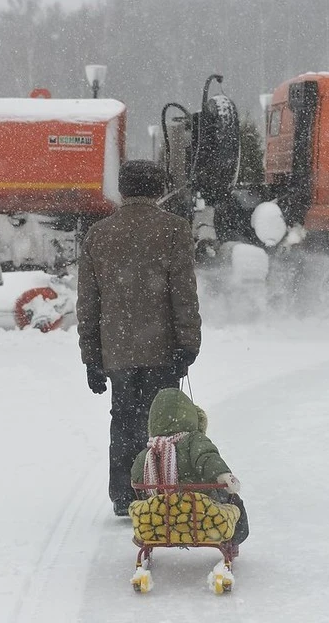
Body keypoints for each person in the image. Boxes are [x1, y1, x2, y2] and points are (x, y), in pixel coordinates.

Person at [77, 159, 202, 517]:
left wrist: (91, 357)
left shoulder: (98, 234)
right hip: (163, 349)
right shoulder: (174, 230)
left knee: (123, 419)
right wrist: (187, 344)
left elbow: (88, 303)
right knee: (161, 423)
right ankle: (161, 488)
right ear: (160, 189)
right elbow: (184, 295)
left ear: (122, 190)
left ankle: (125, 493)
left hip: (116, 351)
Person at [130, 388, 248, 547]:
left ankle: (146, 536)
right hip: (201, 514)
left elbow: (137, 479)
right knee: (233, 501)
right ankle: (233, 540)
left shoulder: (150, 451)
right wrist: (223, 475)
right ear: (191, 415)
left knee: (140, 505)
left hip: (160, 517)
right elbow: (206, 457)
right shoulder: (194, 440)